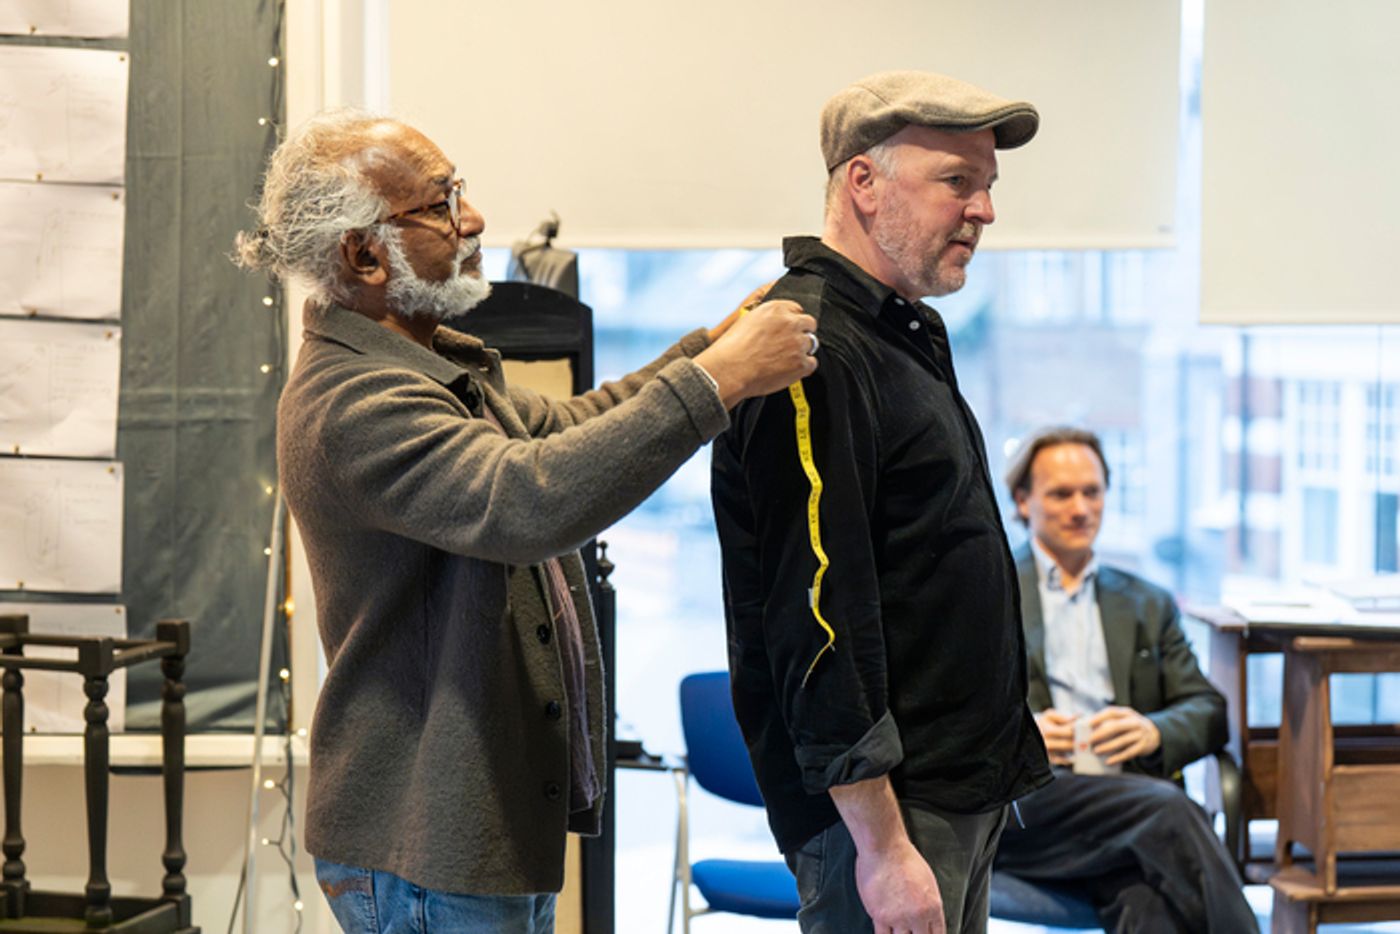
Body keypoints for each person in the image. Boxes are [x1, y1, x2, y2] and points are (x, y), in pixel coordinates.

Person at [233, 110, 818, 933]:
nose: (471, 220)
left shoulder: (429, 366)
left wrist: (708, 348)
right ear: (363, 254)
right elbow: (527, 499)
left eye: (458, 194)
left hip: (467, 830)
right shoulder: (354, 400)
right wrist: (718, 382)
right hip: (424, 839)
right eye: (439, 205)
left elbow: (567, 430)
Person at [710, 71, 1052, 934]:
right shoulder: (803, 344)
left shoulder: (897, 329)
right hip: (890, 821)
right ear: (862, 183)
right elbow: (817, 620)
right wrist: (883, 846)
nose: (984, 211)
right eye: (957, 182)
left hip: (957, 798)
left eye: (988, 187)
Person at [994, 425, 1258, 933]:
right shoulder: (991, 590)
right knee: (1173, 814)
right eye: (1061, 494)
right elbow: (952, 714)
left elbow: (1206, 710)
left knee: (1146, 899)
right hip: (1035, 805)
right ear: (1023, 501)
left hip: (1126, 805)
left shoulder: (1146, 602)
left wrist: (1153, 730)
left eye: (1092, 492)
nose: (1080, 509)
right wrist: (1020, 736)